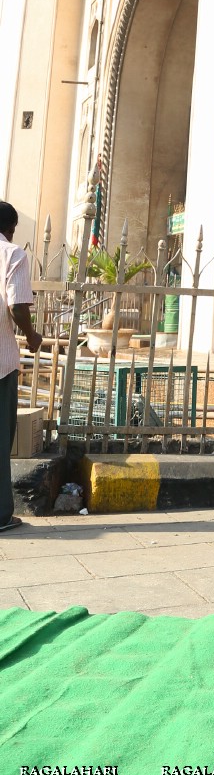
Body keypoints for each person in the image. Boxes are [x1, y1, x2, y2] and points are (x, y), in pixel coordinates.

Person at [0, 201, 42, 534]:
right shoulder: (13, 255)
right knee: (1, 439)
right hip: (1, 363)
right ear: (11, 227)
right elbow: (16, 304)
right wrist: (31, 335)